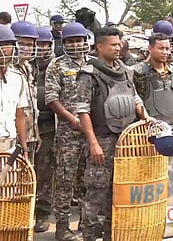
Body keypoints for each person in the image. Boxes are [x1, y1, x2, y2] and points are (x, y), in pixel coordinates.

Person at [75, 27, 152, 241]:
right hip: (102, 139)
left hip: (126, 140)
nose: (118, 48)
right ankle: (89, 236)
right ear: (100, 47)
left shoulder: (126, 71)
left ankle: (112, 235)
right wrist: (93, 143)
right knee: (96, 193)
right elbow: (83, 110)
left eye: (119, 44)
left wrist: (146, 117)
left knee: (117, 193)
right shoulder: (88, 74)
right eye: (113, 45)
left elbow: (135, 99)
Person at [46, 22, 91, 241]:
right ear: (64, 44)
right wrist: (73, 120)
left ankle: (85, 222)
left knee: (87, 178)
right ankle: (62, 226)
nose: (75, 45)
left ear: (85, 41)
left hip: (91, 133)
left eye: (78, 40)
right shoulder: (57, 65)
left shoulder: (94, 64)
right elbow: (52, 99)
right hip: (68, 133)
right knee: (65, 179)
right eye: (70, 41)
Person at [133, 32, 173, 131]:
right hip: (150, 130)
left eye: (167, 49)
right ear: (150, 49)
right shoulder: (138, 73)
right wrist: (146, 118)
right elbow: (135, 99)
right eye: (161, 48)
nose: (165, 52)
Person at [32, 27, 56, 233]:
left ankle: (42, 213)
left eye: (44, 44)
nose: (41, 48)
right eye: (37, 44)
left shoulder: (56, 65)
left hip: (49, 125)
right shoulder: (25, 65)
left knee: (44, 170)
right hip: (26, 125)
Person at [10, 20, 40, 161]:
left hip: (30, 135)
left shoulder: (27, 67)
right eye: (22, 44)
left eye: (30, 45)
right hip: (13, 137)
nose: (27, 48)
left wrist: (35, 132)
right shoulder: (9, 70)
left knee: (29, 177)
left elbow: (31, 104)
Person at [0, 25, 29, 159]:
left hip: (10, 149)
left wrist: (24, 148)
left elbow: (20, 115)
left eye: (8, 44)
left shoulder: (17, 78)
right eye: (1, 44)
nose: (4, 50)